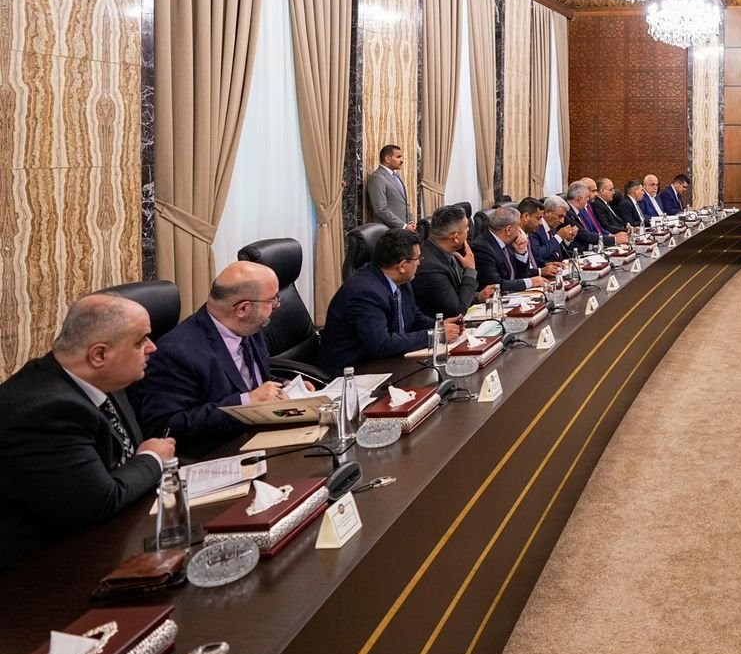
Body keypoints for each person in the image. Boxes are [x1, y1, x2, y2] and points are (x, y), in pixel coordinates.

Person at [0, 294, 175, 565]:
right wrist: (152, 458)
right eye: (140, 341)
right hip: (46, 565)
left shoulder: (103, 378)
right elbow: (99, 502)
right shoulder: (44, 411)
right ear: (99, 354)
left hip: (116, 530)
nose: (153, 347)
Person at [132, 261, 284, 451]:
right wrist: (244, 403)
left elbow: (247, 379)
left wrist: (285, 386)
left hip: (265, 432)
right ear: (243, 309)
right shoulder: (176, 353)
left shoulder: (249, 327)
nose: (276, 305)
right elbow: (165, 427)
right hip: (223, 450)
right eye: (272, 300)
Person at [320, 228, 462, 371]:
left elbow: (413, 316)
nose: (419, 263)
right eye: (418, 259)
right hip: (354, 371)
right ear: (402, 266)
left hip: (387, 363)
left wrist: (438, 327)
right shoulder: (366, 292)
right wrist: (433, 336)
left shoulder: (401, 281)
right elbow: (381, 345)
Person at [414, 205, 489, 318]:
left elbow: (453, 296)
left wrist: (478, 297)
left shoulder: (447, 251)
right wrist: (470, 270)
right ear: (455, 238)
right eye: (466, 227)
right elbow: (457, 311)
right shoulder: (430, 267)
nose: (469, 230)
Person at [471, 205, 542, 293]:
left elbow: (522, 276)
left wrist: (520, 252)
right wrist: (531, 282)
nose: (520, 231)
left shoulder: (509, 242)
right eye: (518, 226)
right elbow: (496, 285)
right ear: (508, 229)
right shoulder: (482, 248)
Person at [365, 144, 414, 231]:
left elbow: (404, 203)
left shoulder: (395, 176)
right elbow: (380, 209)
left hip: (403, 231)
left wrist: (410, 222)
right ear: (387, 159)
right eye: (398, 157)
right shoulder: (377, 178)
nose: (402, 160)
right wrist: (403, 226)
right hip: (389, 231)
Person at [532, 195, 579, 264]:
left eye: (563, 217)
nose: (562, 221)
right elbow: (537, 254)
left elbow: (559, 254)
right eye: (560, 216)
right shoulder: (535, 228)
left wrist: (567, 240)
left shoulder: (552, 227)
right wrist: (558, 237)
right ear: (547, 212)